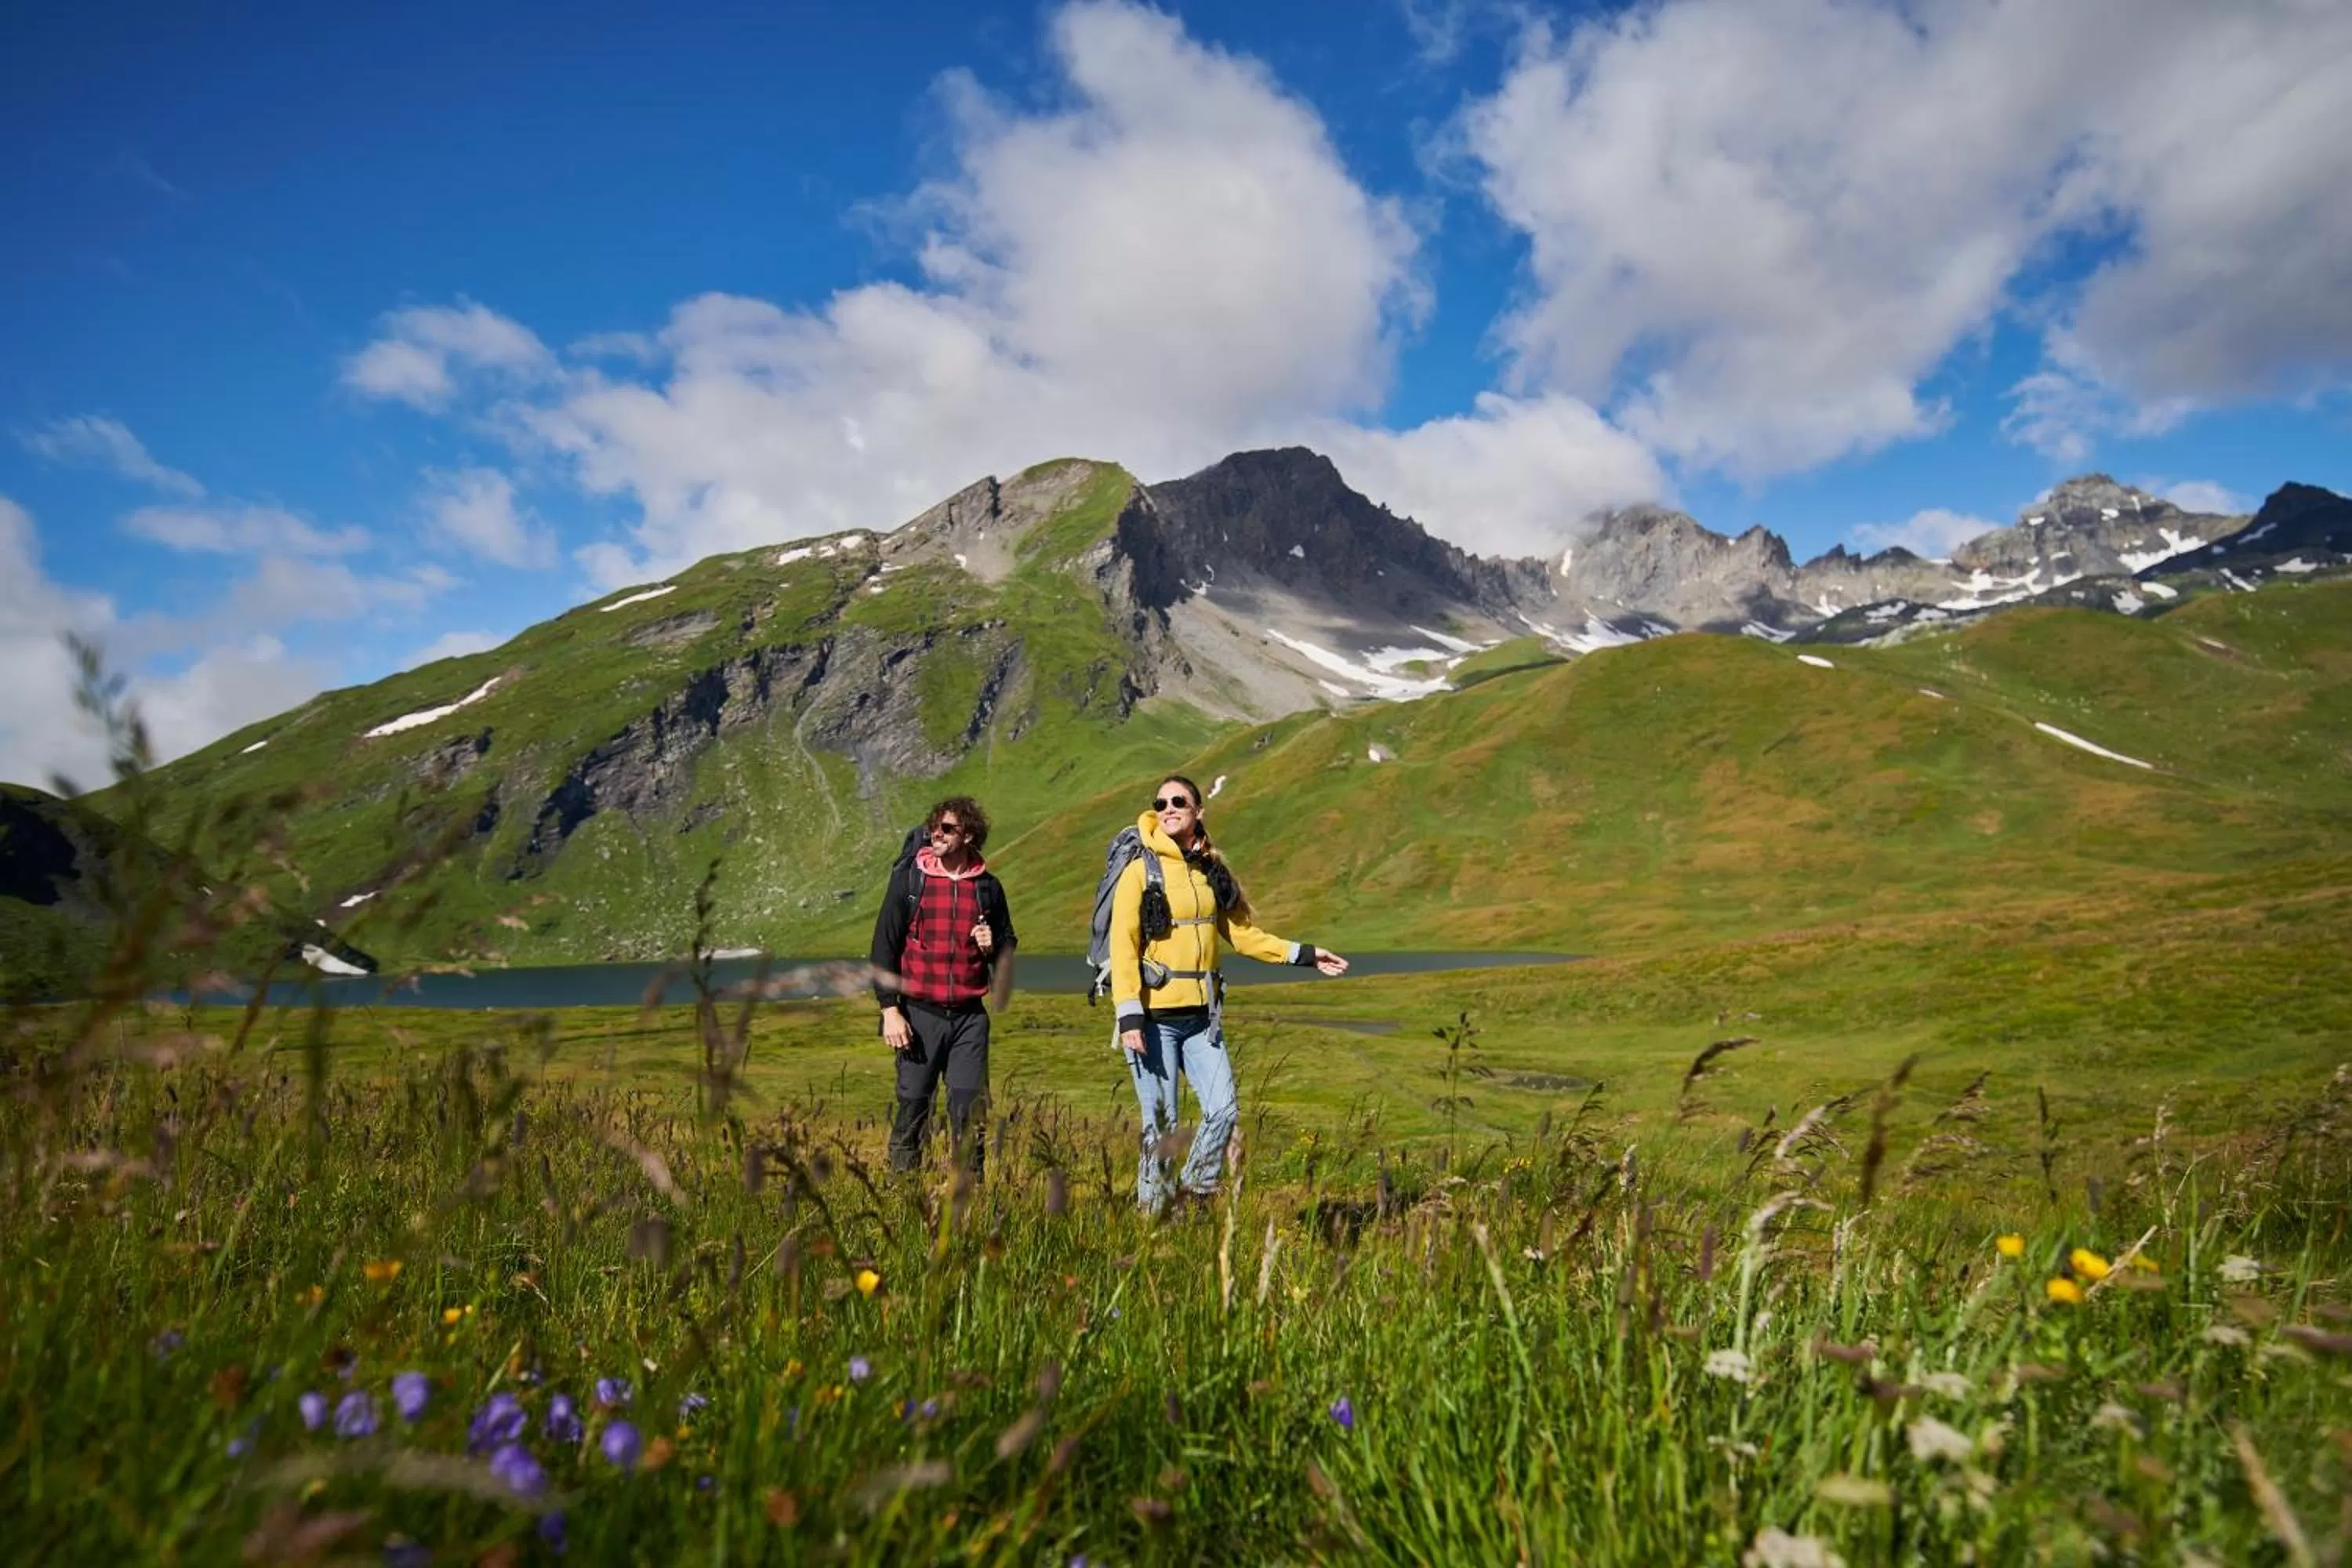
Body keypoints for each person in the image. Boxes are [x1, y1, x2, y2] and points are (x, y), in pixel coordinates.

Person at [1108, 774, 1346, 1214]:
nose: (1168, 809)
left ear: (1198, 810)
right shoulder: (1140, 872)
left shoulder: (1211, 873)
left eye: (1178, 801)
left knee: (1224, 1110)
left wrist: (1306, 954)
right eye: (1160, 804)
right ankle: (1153, 1218)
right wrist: (1128, 1015)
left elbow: (1244, 935)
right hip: (1153, 1019)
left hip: (1203, 1019)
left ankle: (1194, 1192)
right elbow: (1122, 946)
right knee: (1162, 1127)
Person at [869, 796, 1017, 1175]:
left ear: (968, 835)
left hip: (970, 1019)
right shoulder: (910, 882)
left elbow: (1007, 948)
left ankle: (968, 1195)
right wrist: (890, 1010)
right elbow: (883, 947)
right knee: (913, 1107)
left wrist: (992, 947)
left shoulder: (987, 887)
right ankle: (904, 1193)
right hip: (918, 1015)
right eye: (934, 826)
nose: (937, 833)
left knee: (969, 1111)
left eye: (947, 828)